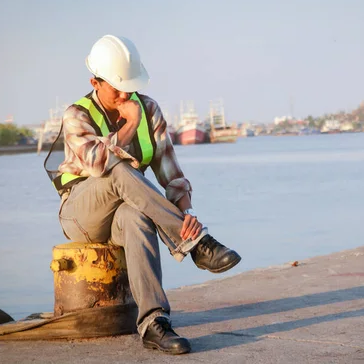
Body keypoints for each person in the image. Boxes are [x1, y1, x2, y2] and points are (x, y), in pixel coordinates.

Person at [45, 34, 241, 355]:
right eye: (116, 87)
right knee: (119, 170)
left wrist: (188, 214)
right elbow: (97, 162)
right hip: (80, 214)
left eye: (130, 86)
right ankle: (196, 245)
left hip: (123, 210)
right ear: (95, 82)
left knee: (137, 216)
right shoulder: (76, 115)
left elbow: (171, 173)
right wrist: (128, 126)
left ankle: (153, 323)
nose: (125, 94)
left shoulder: (149, 110)